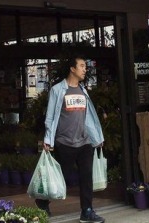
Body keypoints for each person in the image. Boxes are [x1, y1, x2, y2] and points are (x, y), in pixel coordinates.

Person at [37, 55, 106, 223]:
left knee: (86, 178)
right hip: (64, 142)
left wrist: (96, 137)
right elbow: (50, 117)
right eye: (82, 66)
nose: (85, 69)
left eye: (85, 66)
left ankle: (87, 211)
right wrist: (48, 140)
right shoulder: (58, 90)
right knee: (61, 177)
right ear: (72, 69)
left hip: (84, 142)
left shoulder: (83, 91)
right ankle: (43, 201)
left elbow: (89, 117)